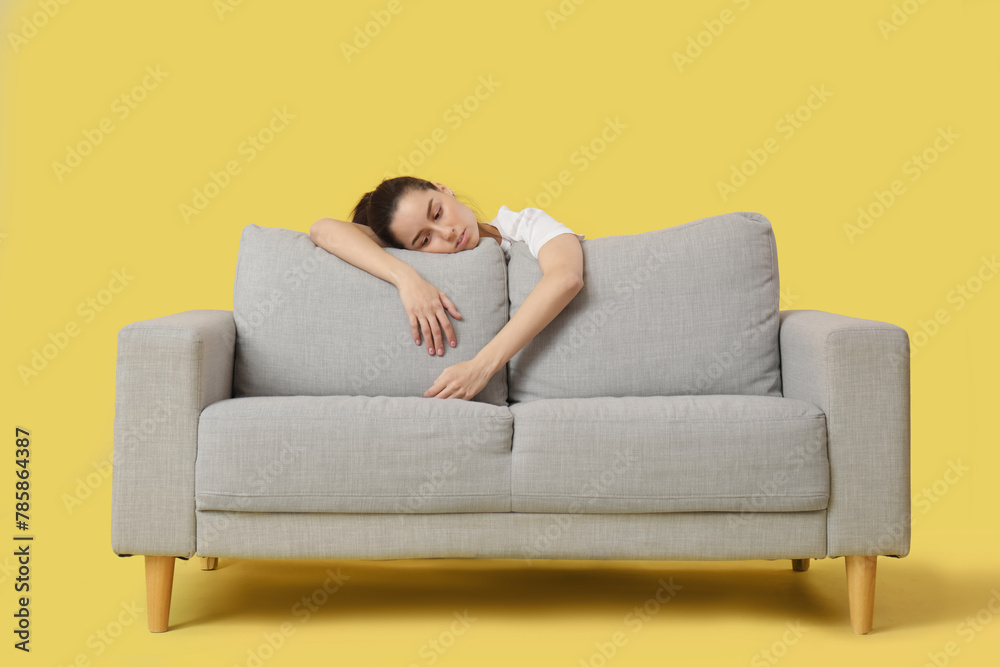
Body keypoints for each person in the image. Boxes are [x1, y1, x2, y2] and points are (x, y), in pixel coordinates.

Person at [309, 176, 585, 400]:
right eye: (425, 239)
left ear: (444, 189)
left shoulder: (523, 224)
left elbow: (566, 277)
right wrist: (407, 279)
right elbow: (323, 230)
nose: (447, 233)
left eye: (438, 213)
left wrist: (481, 367)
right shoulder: (427, 262)